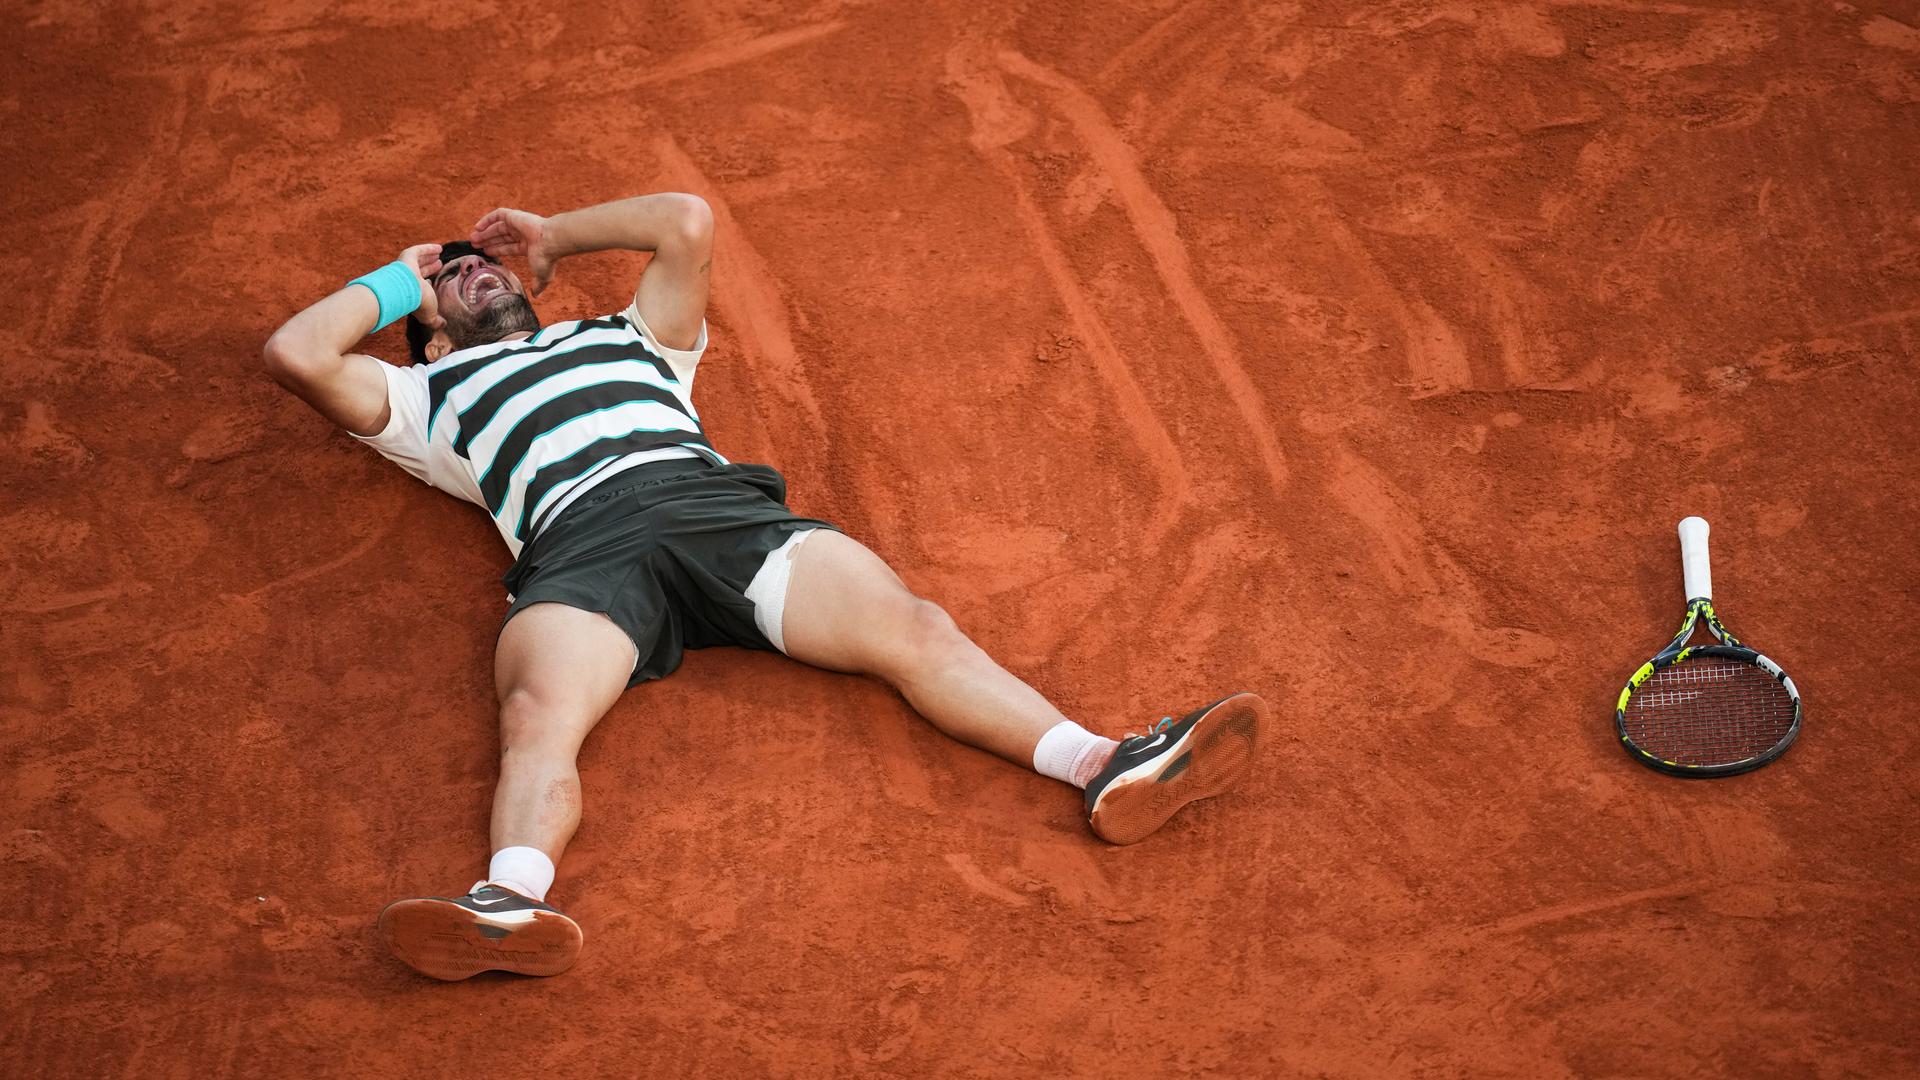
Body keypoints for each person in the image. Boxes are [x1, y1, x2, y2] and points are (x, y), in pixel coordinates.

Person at [262, 191, 1268, 981]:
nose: (471, 269)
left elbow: (685, 221)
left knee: (912, 627)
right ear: (432, 335)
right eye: (451, 278)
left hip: (717, 513)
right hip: (581, 548)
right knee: (536, 713)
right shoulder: (425, 394)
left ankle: (1103, 766)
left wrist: (552, 235)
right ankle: (509, 903)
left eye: (478, 261)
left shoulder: (631, 337)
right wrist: (397, 279)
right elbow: (296, 353)